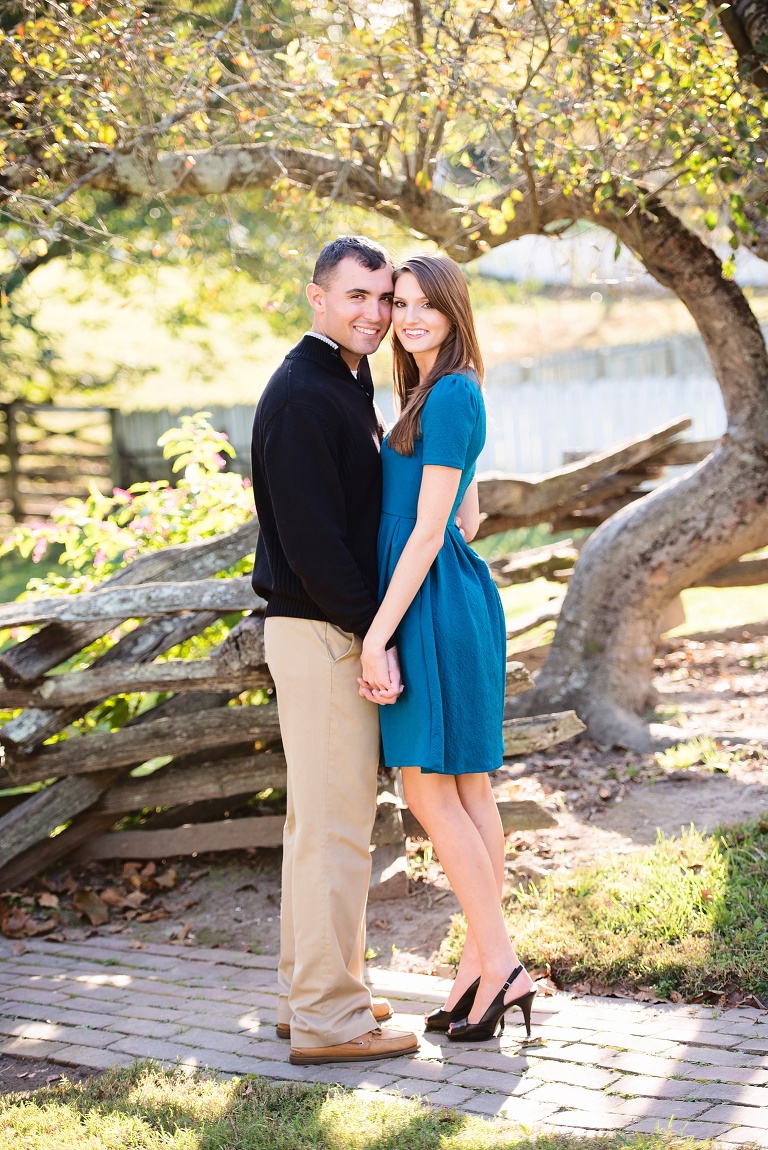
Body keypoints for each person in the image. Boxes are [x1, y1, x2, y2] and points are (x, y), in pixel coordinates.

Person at [358, 254, 537, 1042]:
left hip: (428, 602)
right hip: (444, 595)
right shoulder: (433, 392)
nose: (410, 316)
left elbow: (434, 530)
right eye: (401, 302)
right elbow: (467, 511)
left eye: (428, 304)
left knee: (429, 789)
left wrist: (378, 633)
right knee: (464, 791)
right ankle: (481, 970)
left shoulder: (454, 390)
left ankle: (497, 963)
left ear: (455, 312)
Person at [250, 236, 418, 1065]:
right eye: (357, 296)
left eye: (385, 299)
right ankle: (329, 1019)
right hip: (323, 632)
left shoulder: (340, 383)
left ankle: (309, 991)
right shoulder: (304, 397)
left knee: (317, 825)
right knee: (339, 830)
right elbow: (315, 546)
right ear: (316, 297)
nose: (376, 314)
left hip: (324, 630)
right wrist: (371, 637)